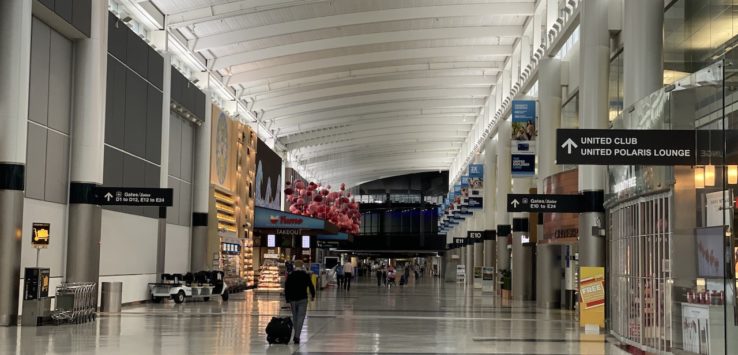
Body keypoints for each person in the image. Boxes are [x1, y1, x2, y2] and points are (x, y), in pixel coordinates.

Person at [284, 260, 315, 344]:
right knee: (301, 317)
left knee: (295, 316)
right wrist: (313, 295)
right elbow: (311, 285)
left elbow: (286, 288)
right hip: (303, 299)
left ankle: (296, 334)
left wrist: (287, 299)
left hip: (293, 300)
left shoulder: (291, 275)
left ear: (294, 266)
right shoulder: (305, 275)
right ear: (302, 266)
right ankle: (297, 336)